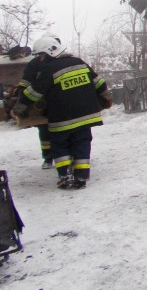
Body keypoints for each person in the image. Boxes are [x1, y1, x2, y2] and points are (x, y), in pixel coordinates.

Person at [13, 35, 112, 189]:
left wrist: (20, 106)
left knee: (60, 146)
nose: (40, 59)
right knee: (82, 144)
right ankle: (81, 177)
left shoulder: (49, 69)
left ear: (49, 53)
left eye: (41, 55)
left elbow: (35, 93)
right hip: (86, 116)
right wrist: (106, 98)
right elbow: (98, 82)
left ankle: (65, 176)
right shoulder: (79, 62)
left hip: (62, 118)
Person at [15, 32, 61, 170]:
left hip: (60, 102)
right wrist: (21, 99)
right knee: (44, 130)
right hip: (41, 103)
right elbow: (26, 81)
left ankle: (65, 156)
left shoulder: (64, 61)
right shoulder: (35, 64)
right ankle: (48, 157)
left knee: (63, 131)